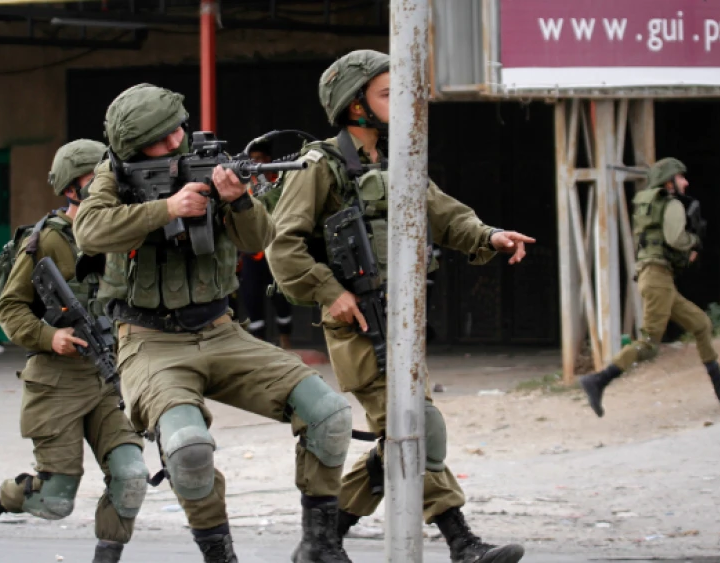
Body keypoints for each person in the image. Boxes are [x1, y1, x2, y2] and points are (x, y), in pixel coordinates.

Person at [265, 49, 532, 563]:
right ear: (353, 104)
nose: (400, 102)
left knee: (403, 436)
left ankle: (322, 538)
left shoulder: (396, 161)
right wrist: (331, 293)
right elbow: (283, 246)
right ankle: (461, 541)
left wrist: (490, 236)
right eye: (387, 93)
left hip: (400, 319)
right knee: (418, 427)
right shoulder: (317, 166)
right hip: (356, 324)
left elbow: (442, 213)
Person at [72, 83, 356, 563]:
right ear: (133, 147)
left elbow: (257, 240)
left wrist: (240, 200)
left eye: (178, 130)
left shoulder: (212, 163)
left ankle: (319, 544)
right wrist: (168, 208)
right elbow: (90, 229)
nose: (176, 141)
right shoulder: (112, 173)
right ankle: (219, 556)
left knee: (329, 415)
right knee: (187, 449)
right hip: (149, 341)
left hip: (222, 331)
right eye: (161, 139)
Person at [0, 140, 149, 563]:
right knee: (55, 500)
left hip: (111, 376)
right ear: (72, 188)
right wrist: (49, 337)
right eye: (95, 180)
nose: (106, 187)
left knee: (131, 476)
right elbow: (9, 307)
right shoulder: (45, 240)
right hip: (57, 383)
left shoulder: (123, 233)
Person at [579, 157, 720, 417]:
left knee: (701, 324)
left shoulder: (651, 205)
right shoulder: (671, 204)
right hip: (657, 278)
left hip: (657, 278)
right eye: (681, 177)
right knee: (649, 344)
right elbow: (676, 238)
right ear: (669, 182)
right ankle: (599, 380)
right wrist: (694, 242)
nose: (685, 181)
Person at [238, 139, 294, 348]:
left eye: (260, 159)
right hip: (252, 254)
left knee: (282, 299)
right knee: (252, 301)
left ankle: (286, 344)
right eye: (252, 159)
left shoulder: (280, 181)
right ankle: (261, 347)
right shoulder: (245, 184)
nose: (256, 163)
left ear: (268, 159)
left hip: (275, 249)